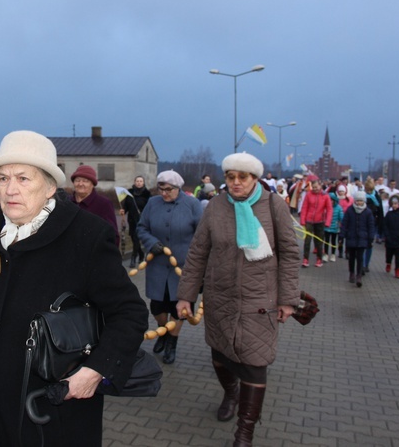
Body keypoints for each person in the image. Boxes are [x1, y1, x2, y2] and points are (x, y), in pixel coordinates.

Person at [0, 130, 148, 446]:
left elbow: (130, 313)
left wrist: (95, 370)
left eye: (23, 179)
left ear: (50, 187)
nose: (10, 190)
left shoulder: (87, 236)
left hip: (47, 409)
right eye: (3, 179)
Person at [176, 152, 300, 447]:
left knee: (255, 363)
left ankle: (244, 434)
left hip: (260, 299)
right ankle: (230, 393)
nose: (235, 183)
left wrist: (288, 300)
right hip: (220, 297)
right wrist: (185, 296)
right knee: (220, 356)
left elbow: (291, 254)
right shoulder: (215, 207)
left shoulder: (273, 206)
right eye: (230, 177)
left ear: (255, 179)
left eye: (242, 177)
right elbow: (198, 253)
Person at [137, 169, 203, 365]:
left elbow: (202, 234)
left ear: (178, 188)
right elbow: (142, 227)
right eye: (161, 189)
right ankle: (163, 332)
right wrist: (151, 242)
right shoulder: (152, 203)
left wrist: (199, 263)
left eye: (169, 190)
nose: (164, 193)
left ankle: (172, 342)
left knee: (179, 308)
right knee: (157, 305)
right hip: (157, 264)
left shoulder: (192, 204)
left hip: (183, 267)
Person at [69, 164, 120, 246]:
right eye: (77, 180)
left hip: (92, 254)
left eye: (85, 181)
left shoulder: (103, 204)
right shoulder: (67, 203)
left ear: (92, 184)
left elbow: (112, 235)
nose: (80, 184)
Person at [340, 191, 375, 288]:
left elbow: (371, 226)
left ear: (364, 201)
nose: (359, 202)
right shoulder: (350, 210)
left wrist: (371, 238)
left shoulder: (368, 212)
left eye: (361, 200)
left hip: (362, 238)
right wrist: (342, 235)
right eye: (357, 200)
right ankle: (351, 272)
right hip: (351, 237)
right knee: (351, 257)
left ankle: (359, 275)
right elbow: (345, 223)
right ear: (354, 201)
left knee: (360, 258)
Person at [299, 175, 332, 268]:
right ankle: (305, 259)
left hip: (320, 221)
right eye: (313, 187)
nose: (315, 189)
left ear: (320, 186)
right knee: (307, 241)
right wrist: (302, 220)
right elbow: (304, 207)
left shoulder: (325, 196)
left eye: (316, 187)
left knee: (319, 241)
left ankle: (319, 259)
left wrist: (328, 222)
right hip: (309, 220)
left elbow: (329, 209)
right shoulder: (309, 194)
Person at [119, 175, 152, 268]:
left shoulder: (147, 194)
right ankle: (141, 254)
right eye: (137, 181)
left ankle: (133, 258)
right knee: (133, 238)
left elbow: (150, 207)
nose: (139, 183)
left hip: (143, 220)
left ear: (143, 183)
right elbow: (126, 206)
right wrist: (123, 211)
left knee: (137, 238)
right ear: (134, 182)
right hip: (132, 219)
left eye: (141, 181)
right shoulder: (129, 193)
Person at [363, 177, 383, 273]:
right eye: (367, 190)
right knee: (362, 244)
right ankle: (362, 264)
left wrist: (380, 226)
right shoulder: (362, 196)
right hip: (363, 223)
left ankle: (366, 264)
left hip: (373, 224)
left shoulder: (376, 197)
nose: (369, 192)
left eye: (370, 190)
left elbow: (380, 212)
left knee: (369, 245)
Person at [325, 191, 344, 262]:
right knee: (326, 241)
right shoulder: (325, 207)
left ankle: (333, 254)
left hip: (335, 228)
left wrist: (341, 224)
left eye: (331, 200)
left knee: (333, 241)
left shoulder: (339, 208)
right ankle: (326, 254)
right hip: (326, 227)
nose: (330, 201)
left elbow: (341, 217)